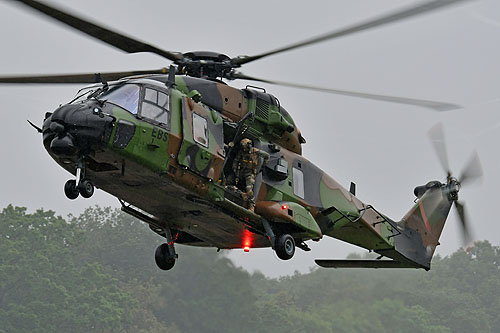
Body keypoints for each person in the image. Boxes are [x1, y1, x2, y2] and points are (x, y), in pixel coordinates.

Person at [232, 138, 269, 211]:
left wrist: (263, 166)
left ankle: (251, 205)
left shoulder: (255, 151)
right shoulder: (241, 152)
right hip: (241, 171)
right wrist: (235, 170)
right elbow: (236, 160)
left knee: (249, 189)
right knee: (230, 180)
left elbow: (267, 156)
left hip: (249, 173)